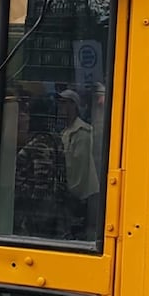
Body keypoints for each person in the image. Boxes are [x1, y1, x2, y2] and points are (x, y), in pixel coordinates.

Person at [55, 89, 100, 239]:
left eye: (64, 103)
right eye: (60, 103)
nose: (60, 107)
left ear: (73, 106)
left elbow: (80, 168)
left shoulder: (82, 132)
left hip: (82, 196)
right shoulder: (65, 131)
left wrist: (72, 193)